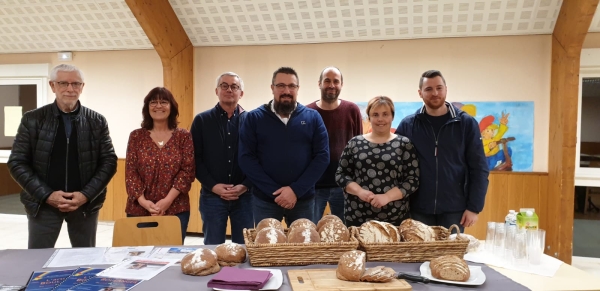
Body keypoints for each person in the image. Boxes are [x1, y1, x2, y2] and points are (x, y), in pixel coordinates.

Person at [7, 64, 117, 249]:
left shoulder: (97, 121)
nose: (70, 89)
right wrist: (47, 195)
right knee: (37, 260)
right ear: (52, 86)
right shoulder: (32, 119)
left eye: (76, 84)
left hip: (84, 206)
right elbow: (17, 162)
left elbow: (108, 162)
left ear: (82, 87)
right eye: (63, 83)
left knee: (85, 259)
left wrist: (86, 195)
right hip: (43, 206)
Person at [395, 70, 489, 232]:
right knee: (419, 257)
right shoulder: (408, 125)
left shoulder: (466, 123)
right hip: (417, 209)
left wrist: (474, 207)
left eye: (439, 88)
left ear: (446, 89)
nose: (435, 93)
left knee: (450, 257)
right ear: (420, 93)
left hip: (455, 210)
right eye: (428, 89)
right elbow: (395, 165)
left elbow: (479, 168)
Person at [239, 67, 329, 226]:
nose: (286, 90)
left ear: (297, 89)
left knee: (303, 248)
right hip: (265, 200)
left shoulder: (313, 117)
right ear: (272, 88)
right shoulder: (254, 118)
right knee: (266, 248)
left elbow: (322, 157)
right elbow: (246, 158)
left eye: (291, 86)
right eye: (281, 85)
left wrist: (295, 190)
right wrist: (275, 192)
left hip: (303, 200)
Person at [125, 87, 195, 243]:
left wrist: (167, 201)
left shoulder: (183, 136)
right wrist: (144, 202)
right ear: (147, 107)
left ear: (172, 107)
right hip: (139, 209)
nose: (158, 106)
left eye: (164, 102)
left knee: (171, 257)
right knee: (139, 260)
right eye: (153, 102)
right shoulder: (136, 136)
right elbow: (131, 172)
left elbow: (187, 171)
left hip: (176, 208)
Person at [336, 96, 419, 227]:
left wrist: (387, 197)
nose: (380, 119)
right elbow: (341, 175)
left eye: (385, 114)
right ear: (369, 118)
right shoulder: (355, 143)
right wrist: (359, 191)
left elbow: (412, 180)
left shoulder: (404, 144)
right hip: (357, 217)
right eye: (375, 114)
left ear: (392, 117)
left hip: (395, 218)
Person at [190, 72, 252, 244]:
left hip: (245, 197)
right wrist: (214, 186)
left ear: (241, 93)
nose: (229, 90)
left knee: (245, 249)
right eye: (224, 86)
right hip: (212, 197)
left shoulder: (252, 121)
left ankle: (242, 273)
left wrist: (245, 185)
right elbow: (196, 159)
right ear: (216, 91)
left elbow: (259, 159)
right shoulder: (201, 121)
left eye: (234, 86)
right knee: (213, 248)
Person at [306, 67, 362, 224]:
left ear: (341, 84)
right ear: (319, 84)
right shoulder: (307, 112)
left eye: (336, 81)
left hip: (344, 186)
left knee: (345, 233)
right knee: (311, 233)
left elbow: (359, 148)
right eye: (327, 81)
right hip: (314, 186)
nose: (331, 85)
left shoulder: (352, 110)